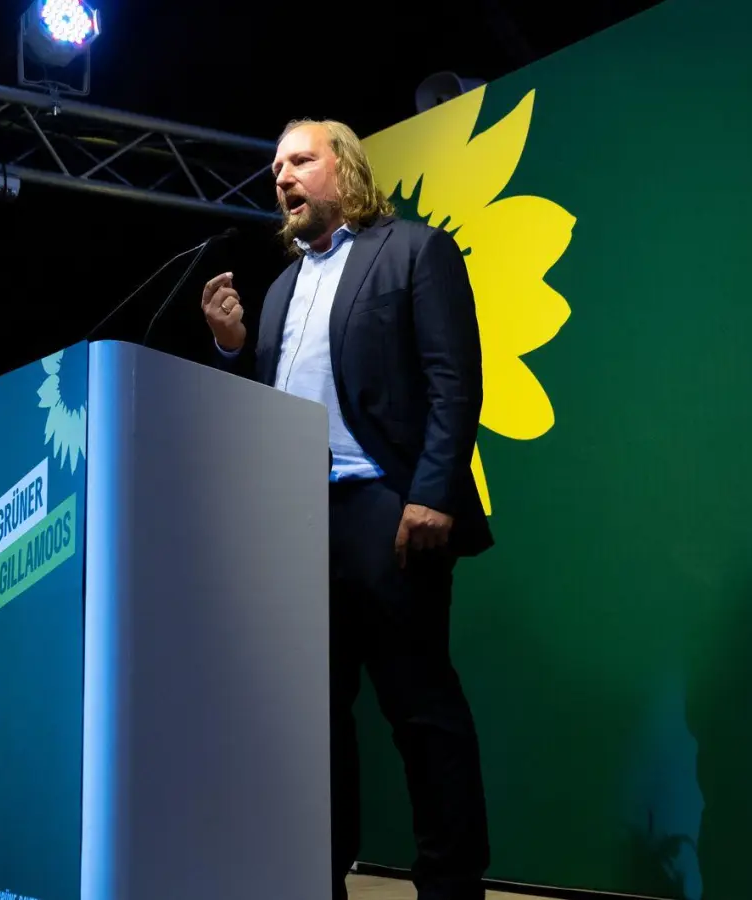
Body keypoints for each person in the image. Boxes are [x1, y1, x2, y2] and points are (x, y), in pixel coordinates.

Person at [200, 118, 491, 900]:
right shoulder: (281, 288)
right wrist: (233, 346)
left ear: (347, 168)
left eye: (299, 160)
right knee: (316, 725)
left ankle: (451, 885)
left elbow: (453, 381)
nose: (282, 176)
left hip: (384, 513)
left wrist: (430, 495)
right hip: (300, 526)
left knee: (421, 713)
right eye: (274, 167)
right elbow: (269, 408)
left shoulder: (413, 250)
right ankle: (315, 881)